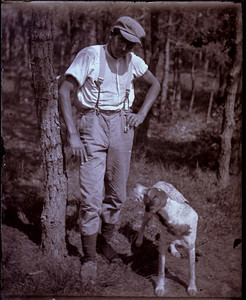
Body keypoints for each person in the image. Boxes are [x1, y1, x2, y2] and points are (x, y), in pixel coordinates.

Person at [59, 16, 160, 282]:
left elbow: (155, 84)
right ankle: (89, 257)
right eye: (122, 42)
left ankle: (106, 243)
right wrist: (73, 136)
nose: (125, 49)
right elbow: (64, 90)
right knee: (91, 197)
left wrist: (140, 114)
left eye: (131, 46)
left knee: (117, 194)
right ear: (112, 34)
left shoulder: (132, 61)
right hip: (92, 124)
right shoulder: (90, 55)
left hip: (122, 125)